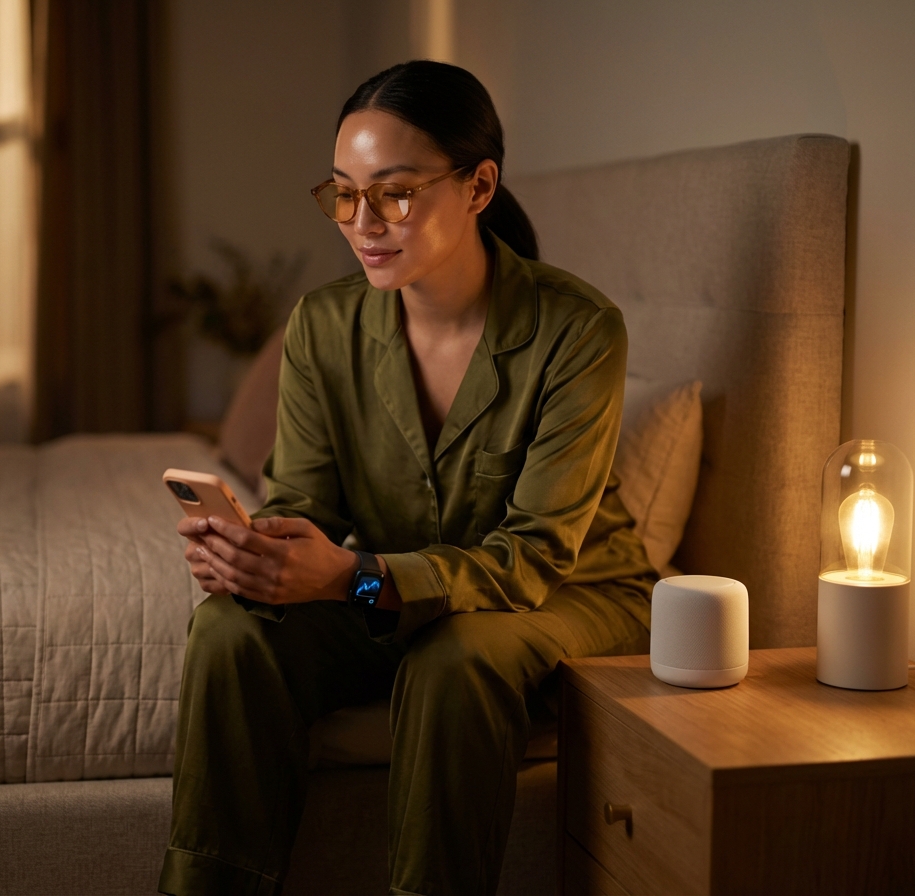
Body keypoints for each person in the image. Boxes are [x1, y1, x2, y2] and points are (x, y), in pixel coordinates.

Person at [157, 60, 657, 896]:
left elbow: (531, 557)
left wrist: (353, 578)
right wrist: (260, 555)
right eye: (343, 193)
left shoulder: (577, 331)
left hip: (565, 593)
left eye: (394, 192)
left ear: (478, 186)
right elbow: (303, 501)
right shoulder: (323, 325)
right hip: (390, 594)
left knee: (452, 659)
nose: (363, 223)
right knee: (230, 630)